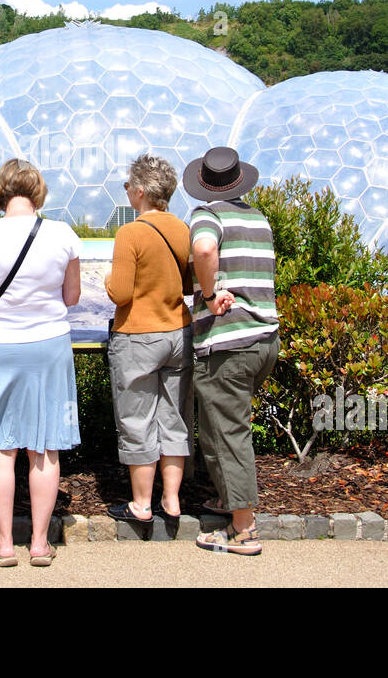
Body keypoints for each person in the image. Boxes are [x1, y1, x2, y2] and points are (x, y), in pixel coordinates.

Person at [0, 159, 81, 567]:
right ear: (38, 191)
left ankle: (5, 543)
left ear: (1, 192)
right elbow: (73, 296)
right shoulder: (62, 234)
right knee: (44, 446)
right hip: (48, 343)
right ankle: (41, 544)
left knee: (0, 445)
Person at [182, 146, 280, 556]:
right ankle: (228, 499)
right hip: (264, 339)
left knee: (228, 433)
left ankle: (243, 529)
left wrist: (208, 293)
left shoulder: (208, 215)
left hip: (228, 342)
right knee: (223, 425)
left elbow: (204, 249)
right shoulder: (258, 218)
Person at [103, 153, 193, 525]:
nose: (126, 191)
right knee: (174, 418)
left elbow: (120, 292)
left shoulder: (131, 232)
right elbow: (188, 285)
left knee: (137, 420)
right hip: (178, 332)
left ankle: (141, 504)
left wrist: (106, 282)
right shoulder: (183, 229)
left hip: (138, 336)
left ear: (139, 191)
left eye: (127, 185)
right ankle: (171, 500)